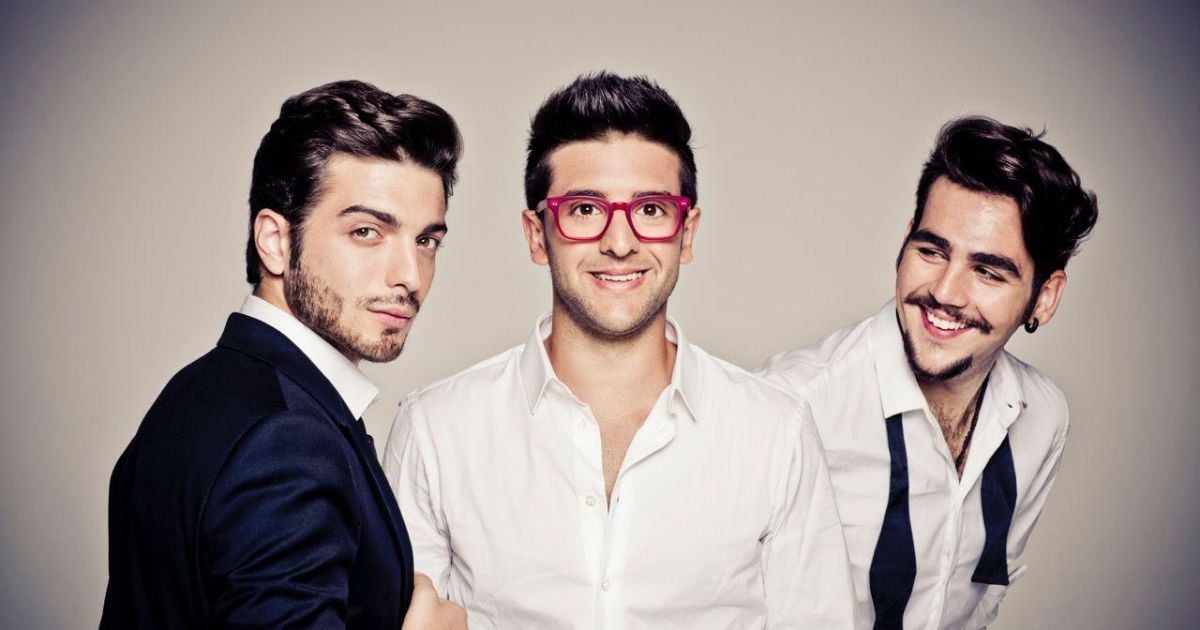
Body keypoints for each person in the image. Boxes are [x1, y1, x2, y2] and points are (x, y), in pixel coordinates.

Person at [382, 72, 856, 628]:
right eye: (585, 209)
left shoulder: (775, 431)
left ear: (687, 233)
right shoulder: (436, 430)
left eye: (651, 210)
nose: (620, 242)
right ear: (537, 235)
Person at [101, 80, 467, 629]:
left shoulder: (196, 390)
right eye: (366, 231)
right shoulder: (287, 441)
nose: (410, 277)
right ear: (275, 241)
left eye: (426, 241)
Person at [758, 116, 1099, 629]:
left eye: (988, 271)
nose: (944, 292)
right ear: (905, 242)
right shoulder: (790, 407)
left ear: (1044, 298)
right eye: (932, 251)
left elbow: (979, 598)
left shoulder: (1043, 417)